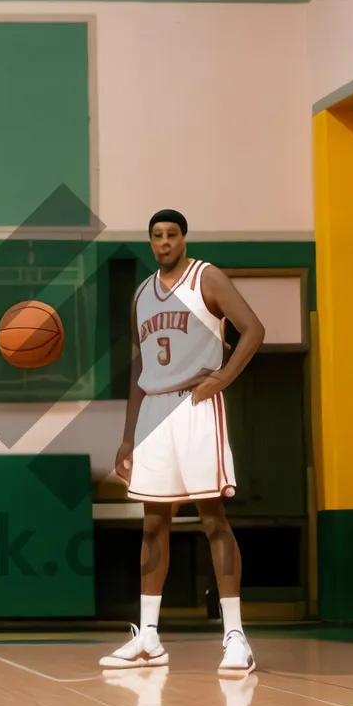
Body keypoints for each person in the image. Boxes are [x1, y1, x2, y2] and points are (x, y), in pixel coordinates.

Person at [101, 209, 264, 677]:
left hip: (195, 405)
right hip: (154, 410)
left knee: (213, 518)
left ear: (184, 238)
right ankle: (149, 637)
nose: (165, 242)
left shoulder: (205, 278)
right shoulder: (141, 295)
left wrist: (223, 379)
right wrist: (128, 436)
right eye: (157, 236)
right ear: (150, 242)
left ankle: (236, 637)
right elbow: (139, 368)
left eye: (172, 234)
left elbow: (253, 329)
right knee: (153, 524)